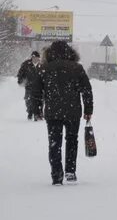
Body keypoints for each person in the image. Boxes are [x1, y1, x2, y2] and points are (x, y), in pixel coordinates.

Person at [35, 41, 93, 185]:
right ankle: (70, 171)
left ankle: (56, 174)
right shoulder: (77, 68)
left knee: (54, 143)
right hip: (73, 111)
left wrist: (37, 109)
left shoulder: (44, 68)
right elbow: (86, 90)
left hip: (53, 112)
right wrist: (88, 109)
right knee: (72, 140)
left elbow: (37, 91)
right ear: (70, 52)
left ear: (50, 53)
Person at [16, 51, 43, 121]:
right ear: (32, 57)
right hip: (29, 86)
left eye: (37, 58)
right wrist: (20, 81)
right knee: (29, 100)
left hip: (39, 87)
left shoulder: (42, 65)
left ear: (39, 58)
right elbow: (20, 73)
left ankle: (39, 114)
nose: (35, 59)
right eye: (33, 57)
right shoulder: (26, 64)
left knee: (39, 101)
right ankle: (30, 112)